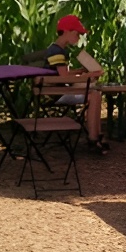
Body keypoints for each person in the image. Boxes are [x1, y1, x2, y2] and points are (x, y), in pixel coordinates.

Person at [39, 14, 109, 154]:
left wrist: (79, 71)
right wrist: (88, 76)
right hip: (54, 95)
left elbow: (61, 73)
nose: (78, 38)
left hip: (56, 91)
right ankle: (93, 139)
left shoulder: (58, 50)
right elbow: (64, 78)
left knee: (96, 94)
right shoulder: (57, 52)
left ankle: (97, 135)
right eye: (76, 34)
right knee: (94, 96)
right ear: (66, 31)